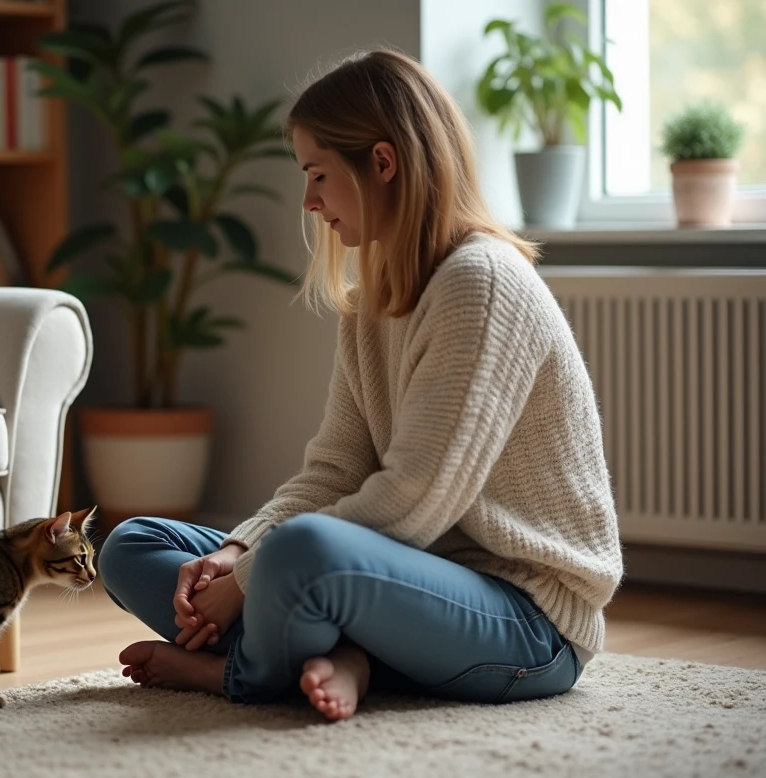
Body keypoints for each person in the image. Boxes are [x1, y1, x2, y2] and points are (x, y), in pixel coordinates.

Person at [98, 48, 623, 721]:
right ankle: (348, 656)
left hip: (528, 621)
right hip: (399, 582)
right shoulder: (372, 301)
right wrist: (237, 551)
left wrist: (252, 582)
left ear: (382, 163)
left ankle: (237, 675)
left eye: (317, 175)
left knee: (302, 551)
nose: (310, 203)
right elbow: (336, 470)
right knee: (132, 545)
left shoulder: (481, 284)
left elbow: (415, 498)